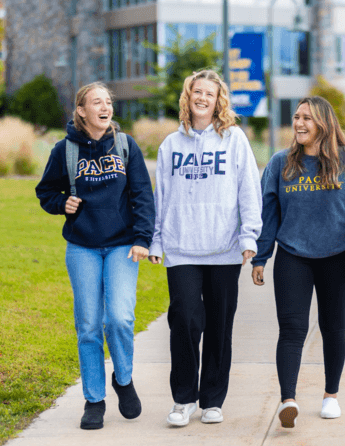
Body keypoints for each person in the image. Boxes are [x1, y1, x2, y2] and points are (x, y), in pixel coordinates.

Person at [251, 96, 345, 428]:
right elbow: (269, 216)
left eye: (307, 118)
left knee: (333, 326)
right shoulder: (281, 163)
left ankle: (330, 396)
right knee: (292, 329)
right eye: (296, 117)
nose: (299, 123)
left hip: (337, 256)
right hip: (293, 256)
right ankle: (288, 400)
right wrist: (261, 256)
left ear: (324, 123)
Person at [35, 82, 155, 430]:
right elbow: (45, 192)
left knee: (119, 318)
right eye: (96, 102)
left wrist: (143, 238)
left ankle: (123, 379)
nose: (105, 107)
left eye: (108, 102)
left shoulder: (124, 145)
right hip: (82, 247)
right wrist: (63, 203)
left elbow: (143, 195)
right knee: (88, 325)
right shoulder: (65, 150)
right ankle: (94, 400)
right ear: (82, 111)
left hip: (122, 245)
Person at [147, 69, 262, 427]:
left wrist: (249, 237)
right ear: (188, 97)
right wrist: (156, 239)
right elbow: (160, 196)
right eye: (197, 92)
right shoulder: (171, 145)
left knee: (218, 326)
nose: (202, 98)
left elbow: (248, 189)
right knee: (183, 320)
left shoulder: (235, 140)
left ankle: (212, 399)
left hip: (225, 248)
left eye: (209, 94)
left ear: (218, 101)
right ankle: (183, 399)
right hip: (182, 248)